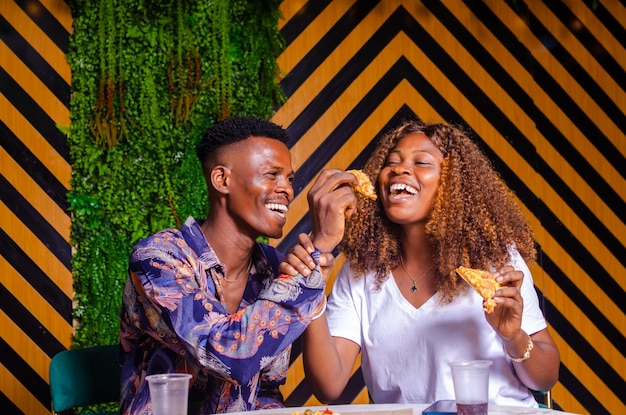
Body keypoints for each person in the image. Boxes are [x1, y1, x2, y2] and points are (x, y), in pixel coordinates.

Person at [280, 119, 560, 407]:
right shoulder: (361, 270)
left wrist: (512, 335)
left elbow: (546, 378)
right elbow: (329, 387)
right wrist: (312, 288)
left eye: (422, 162)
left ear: (454, 183)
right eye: (392, 162)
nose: (400, 168)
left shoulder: (495, 260)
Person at [119, 116, 357, 414]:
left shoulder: (275, 267)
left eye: (290, 179)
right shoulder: (160, 260)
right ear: (222, 180)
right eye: (272, 174)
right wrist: (319, 245)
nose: (287, 189)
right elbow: (230, 356)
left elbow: (301, 388)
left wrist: (314, 272)